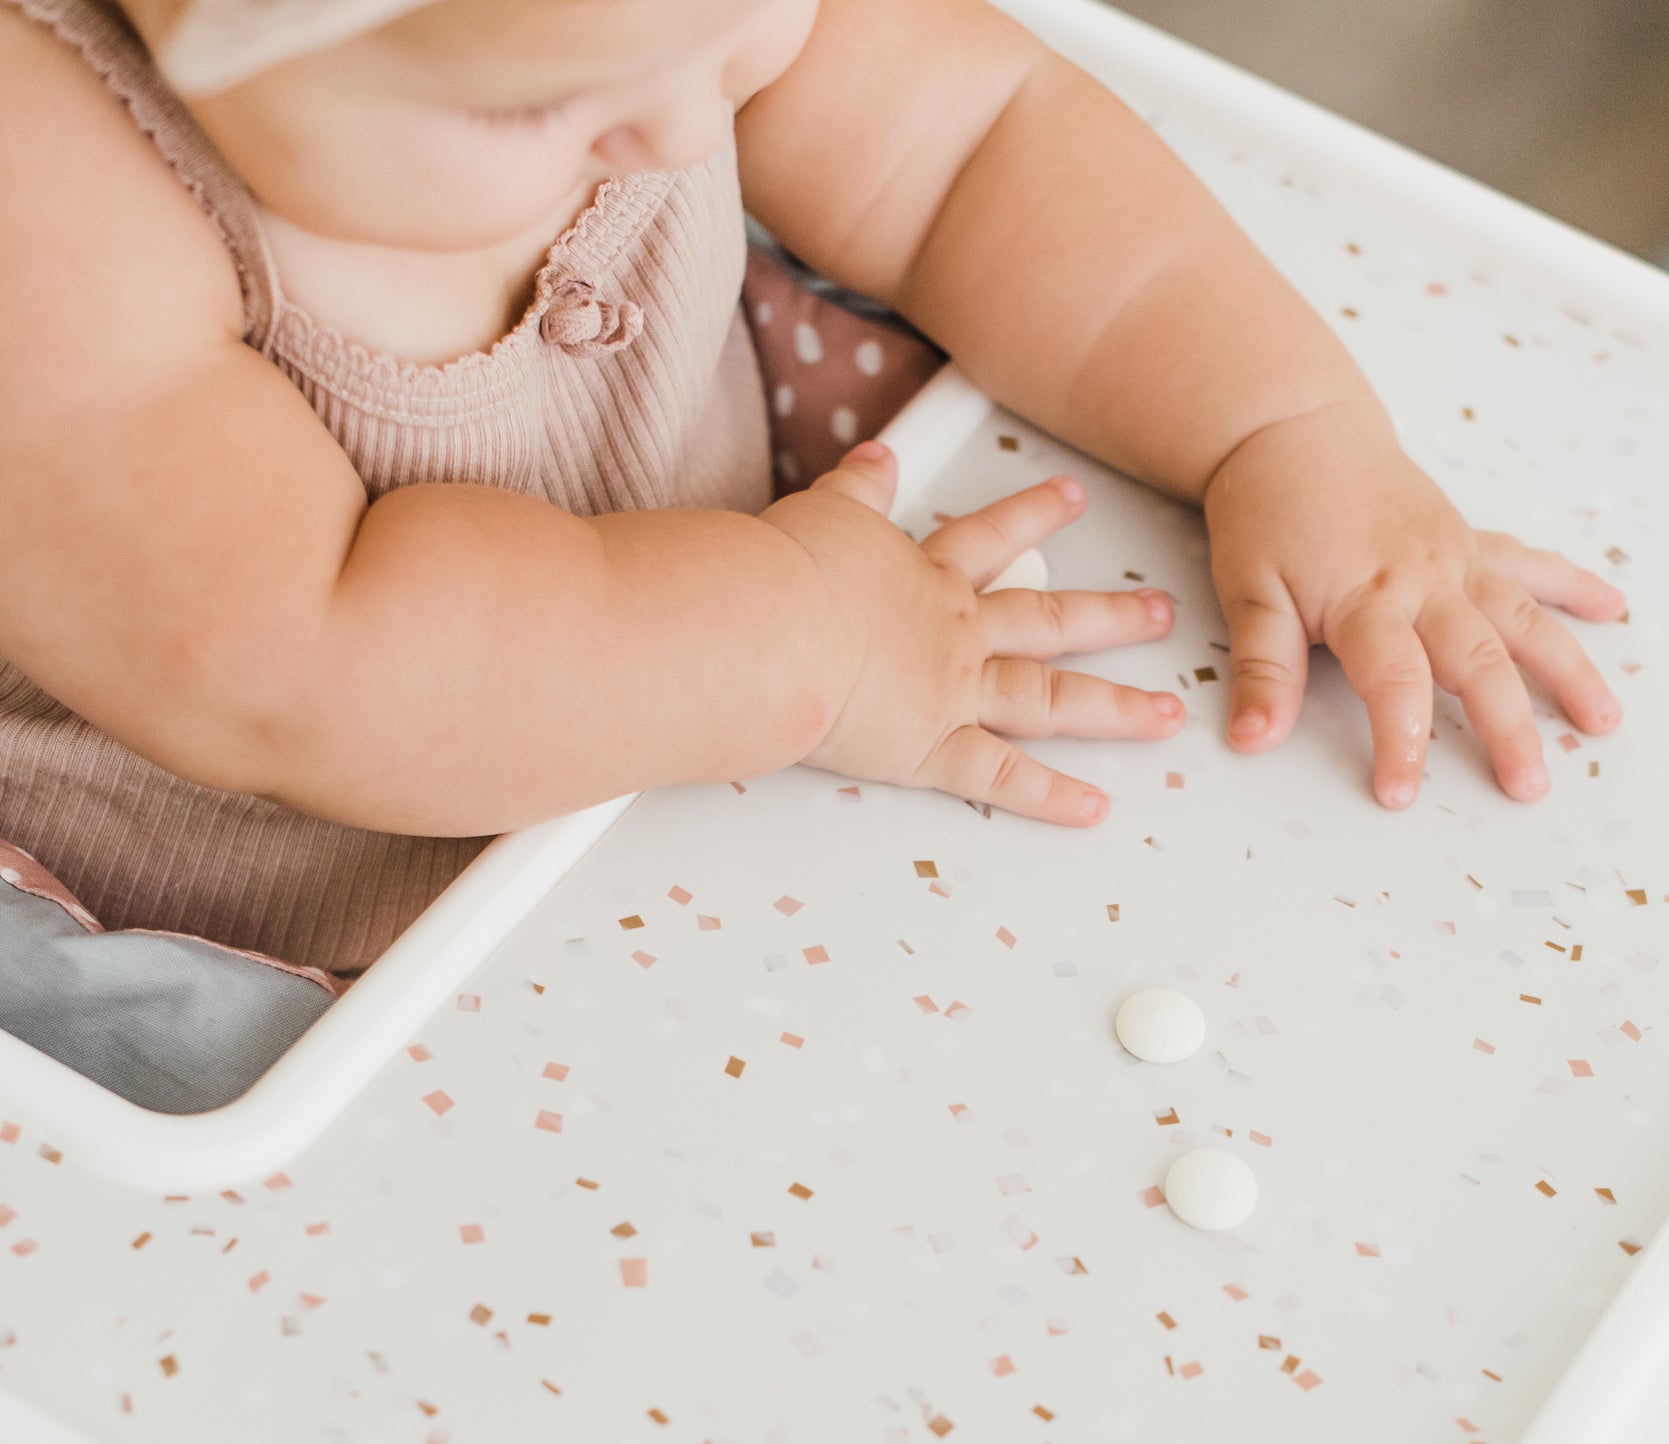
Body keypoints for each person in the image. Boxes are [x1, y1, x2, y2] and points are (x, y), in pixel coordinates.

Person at [0, 0, 1628, 1105]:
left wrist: (1279, 429)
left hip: (727, 767)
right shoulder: (48, 184)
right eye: (541, 105)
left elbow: (973, 142)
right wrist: (801, 640)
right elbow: (302, 657)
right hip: (280, 921)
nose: (691, 120)